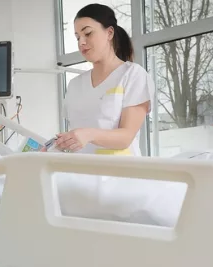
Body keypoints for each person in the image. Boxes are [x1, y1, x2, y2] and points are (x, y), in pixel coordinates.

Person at [55, 3, 155, 156]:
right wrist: (65, 142)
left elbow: (126, 137)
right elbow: (76, 136)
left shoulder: (132, 75)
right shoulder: (75, 85)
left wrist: (89, 135)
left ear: (109, 33)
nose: (81, 42)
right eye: (77, 37)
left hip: (120, 174)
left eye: (87, 33)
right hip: (80, 173)